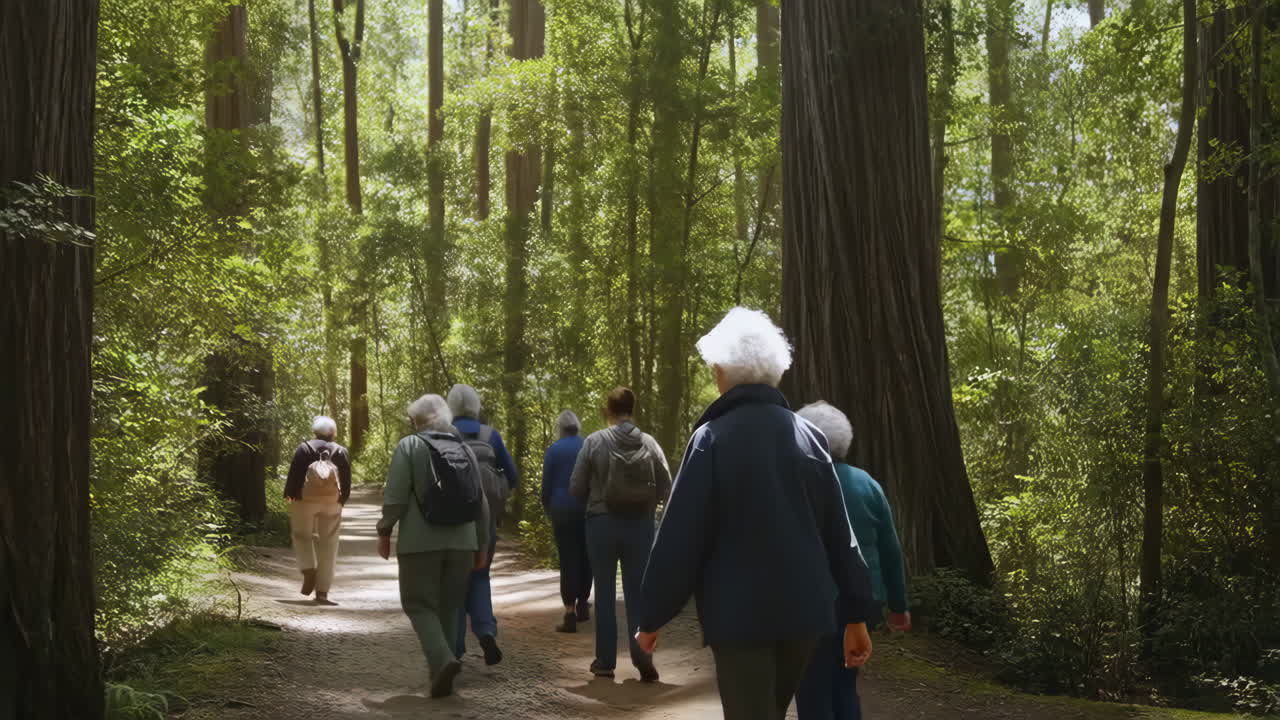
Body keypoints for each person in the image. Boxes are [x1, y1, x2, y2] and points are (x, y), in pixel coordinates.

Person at [634, 308, 875, 720]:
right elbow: (841, 534)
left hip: (740, 617)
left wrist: (653, 616)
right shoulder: (811, 437)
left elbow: (681, 537)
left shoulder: (711, 439)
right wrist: (856, 615)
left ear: (722, 371)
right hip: (805, 616)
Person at [794, 401, 911, 720]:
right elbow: (890, 549)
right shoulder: (867, 484)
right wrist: (899, 607)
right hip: (863, 602)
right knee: (845, 683)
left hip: (813, 602)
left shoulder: (798, 484)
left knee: (811, 686)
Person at [377, 394, 490, 699]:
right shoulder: (464, 448)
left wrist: (385, 530)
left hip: (420, 542)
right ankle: (442, 672)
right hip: (463, 543)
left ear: (416, 420)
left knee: (418, 603)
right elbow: (481, 503)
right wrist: (481, 544)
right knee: (450, 606)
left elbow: (397, 496)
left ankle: (442, 661)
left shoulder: (410, 446)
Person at [570, 387, 672, 681]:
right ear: (633, 408)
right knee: (638, 593)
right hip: (640, 526)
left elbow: (576, 487)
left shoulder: (594, 441)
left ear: (608, 410)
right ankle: (643, 659)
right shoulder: (649, 443)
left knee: (603, 591)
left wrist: (595, 499)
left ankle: (605, 662)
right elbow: (667, 485)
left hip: (601, 524)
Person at [447, 383, 518, 665]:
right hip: (486, 519)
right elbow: (512, 476)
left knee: (452, 581)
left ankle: (454, 648)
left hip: (452, 521)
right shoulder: (491, 435)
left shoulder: (444, 434)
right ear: (477, 407)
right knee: (479, 574)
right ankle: (486, 631)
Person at [283, 415, 352, 605]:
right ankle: (322, 592)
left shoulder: (304, 448)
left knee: (301, 535)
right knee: (329, 545)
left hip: (305, 501)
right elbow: (346, 479)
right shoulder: (340, 451)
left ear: (315, 430)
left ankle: (308, 569)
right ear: (333, 432)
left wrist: (290, 494)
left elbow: (295, 474)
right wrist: (341, 500)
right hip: (331, 502)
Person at [541, 410, 592, 632]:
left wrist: (547, 507)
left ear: (560, 428)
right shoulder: (588, 445)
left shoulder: (554, 450)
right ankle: (583, 604)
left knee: (568, 558)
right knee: (586, 555)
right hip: (587, 507)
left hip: (561, 509)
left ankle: (569, 611)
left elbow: (547, 484)